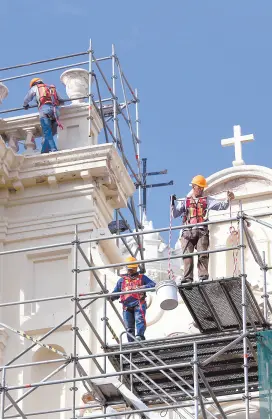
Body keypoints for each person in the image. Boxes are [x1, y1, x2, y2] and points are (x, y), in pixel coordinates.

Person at [171, 175, 235, 283]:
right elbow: (175, 214)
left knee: (203, 255)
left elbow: (222, 206)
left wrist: (228, 199)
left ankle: (203, 276)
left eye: (202, 188)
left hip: (201, 232)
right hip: (187, 232)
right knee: (187, 256)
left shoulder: (206, 200)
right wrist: (172, 203)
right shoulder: (185, 201)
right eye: (199, 187)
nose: (201, 189)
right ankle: (187, 278)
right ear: (193, 187)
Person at [110, 257, 156, 342]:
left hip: (139, 303)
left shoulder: (142, 278)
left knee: (139, 320)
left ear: (136, 268)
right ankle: (131, 341)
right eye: (129, 268)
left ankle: (139, 336)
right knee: (128, 326)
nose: (130, 270)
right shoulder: (122, 280)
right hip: (126, 306)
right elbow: (116, 292)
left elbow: (153, 285)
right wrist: (111, 297)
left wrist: (143, 287)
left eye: (132, 269)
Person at [23, 78, 64, 153]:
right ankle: (44, 151)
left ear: (33, 84)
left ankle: (53, 149)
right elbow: (61, 100)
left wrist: (25, 105)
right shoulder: (50, 88)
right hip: (55, 111)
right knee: (51, 132)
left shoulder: (35, 88)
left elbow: (27, 98)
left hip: (45, 109)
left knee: (47, 132)